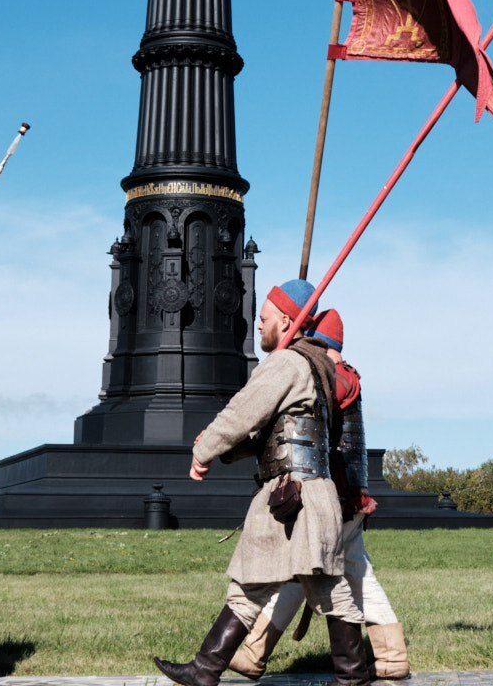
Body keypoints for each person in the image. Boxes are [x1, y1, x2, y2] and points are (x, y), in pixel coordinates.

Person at [155, 280, 371, 686]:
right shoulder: (308, 363)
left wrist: (205, 450)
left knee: (327, 587)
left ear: (287, 321)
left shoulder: (288, 364)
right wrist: (225, 449)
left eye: (265, 318)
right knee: (253, 580)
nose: (258, 324)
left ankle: (352, 676)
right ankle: (205, 668)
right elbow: (267, 431)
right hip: (293, 494)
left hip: (298, 495)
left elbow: (243, 412)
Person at [227, 309, 409, 681]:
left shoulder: (329, 373)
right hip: (344, 497)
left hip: (335, 498)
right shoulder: (335, 372)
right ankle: (389, 658)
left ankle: (254, 651)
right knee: (324, 572)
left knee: (311, 572)